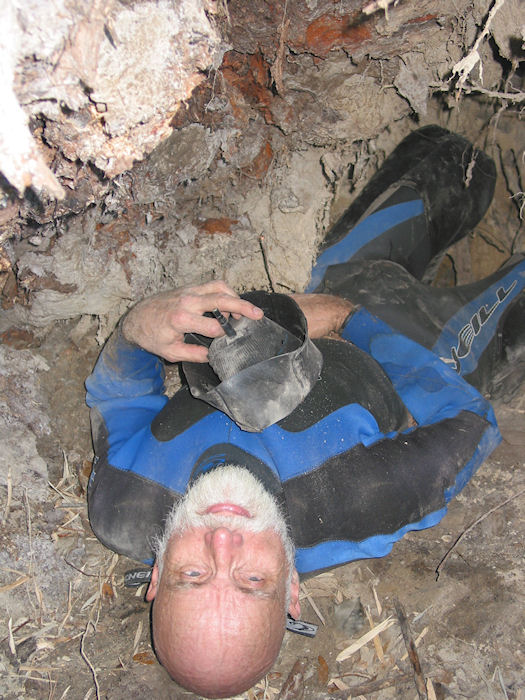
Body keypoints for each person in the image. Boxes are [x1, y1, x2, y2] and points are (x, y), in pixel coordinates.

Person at [85, 125, 525, 698]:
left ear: (156, 579)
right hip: (404, 344)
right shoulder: (357, 501)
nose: (224, 543)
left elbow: (117, 397)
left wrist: (137, 328)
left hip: (315, 299)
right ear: (291, 586)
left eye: (194, 576)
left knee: (452, 159)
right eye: (252, 580)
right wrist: (352, 321)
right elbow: (471, 424)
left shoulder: (123, 501)